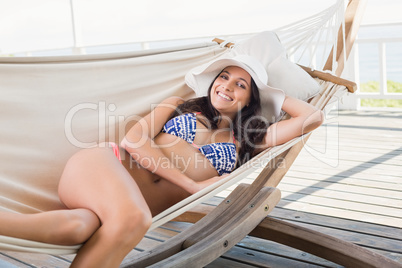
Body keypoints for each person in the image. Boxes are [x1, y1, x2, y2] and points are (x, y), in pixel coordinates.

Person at [0, 55, 323, 267]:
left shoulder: (250, 140)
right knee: (132, 220)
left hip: (123, 210)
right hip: (104, 165)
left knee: (77, 227)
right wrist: (191, 184)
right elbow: (133, 140)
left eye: (241, 85)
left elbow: (311, 118)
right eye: (223, 77)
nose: (226, 86)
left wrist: (271, 92)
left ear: (252, 98)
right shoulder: (179, 105)